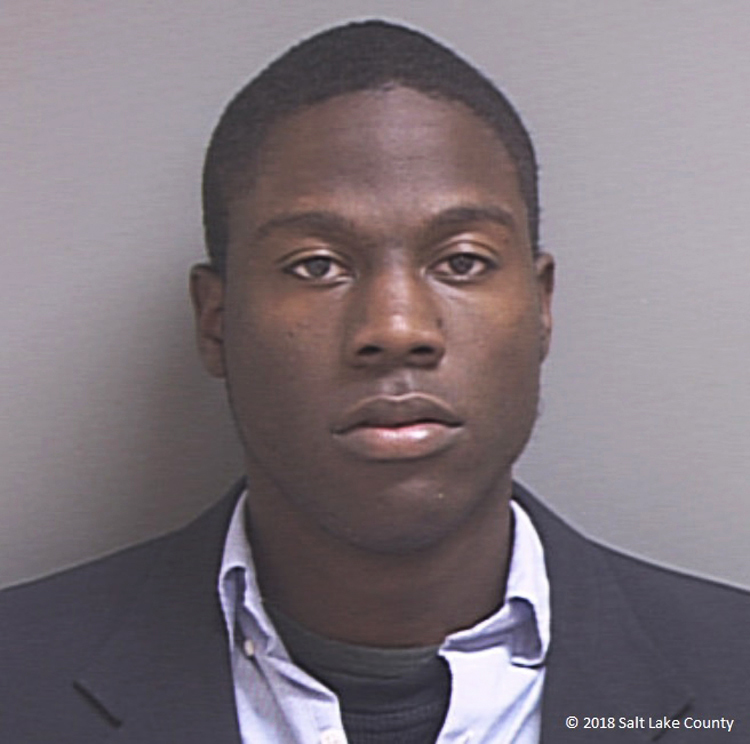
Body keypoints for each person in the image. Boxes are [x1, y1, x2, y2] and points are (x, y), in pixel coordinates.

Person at [1, 19, 749, 744]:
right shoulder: (17, 684)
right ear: (217, 322)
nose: (396, 328)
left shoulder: (733, 683)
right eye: (316, 265)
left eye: (462, 261)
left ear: (541, 306)